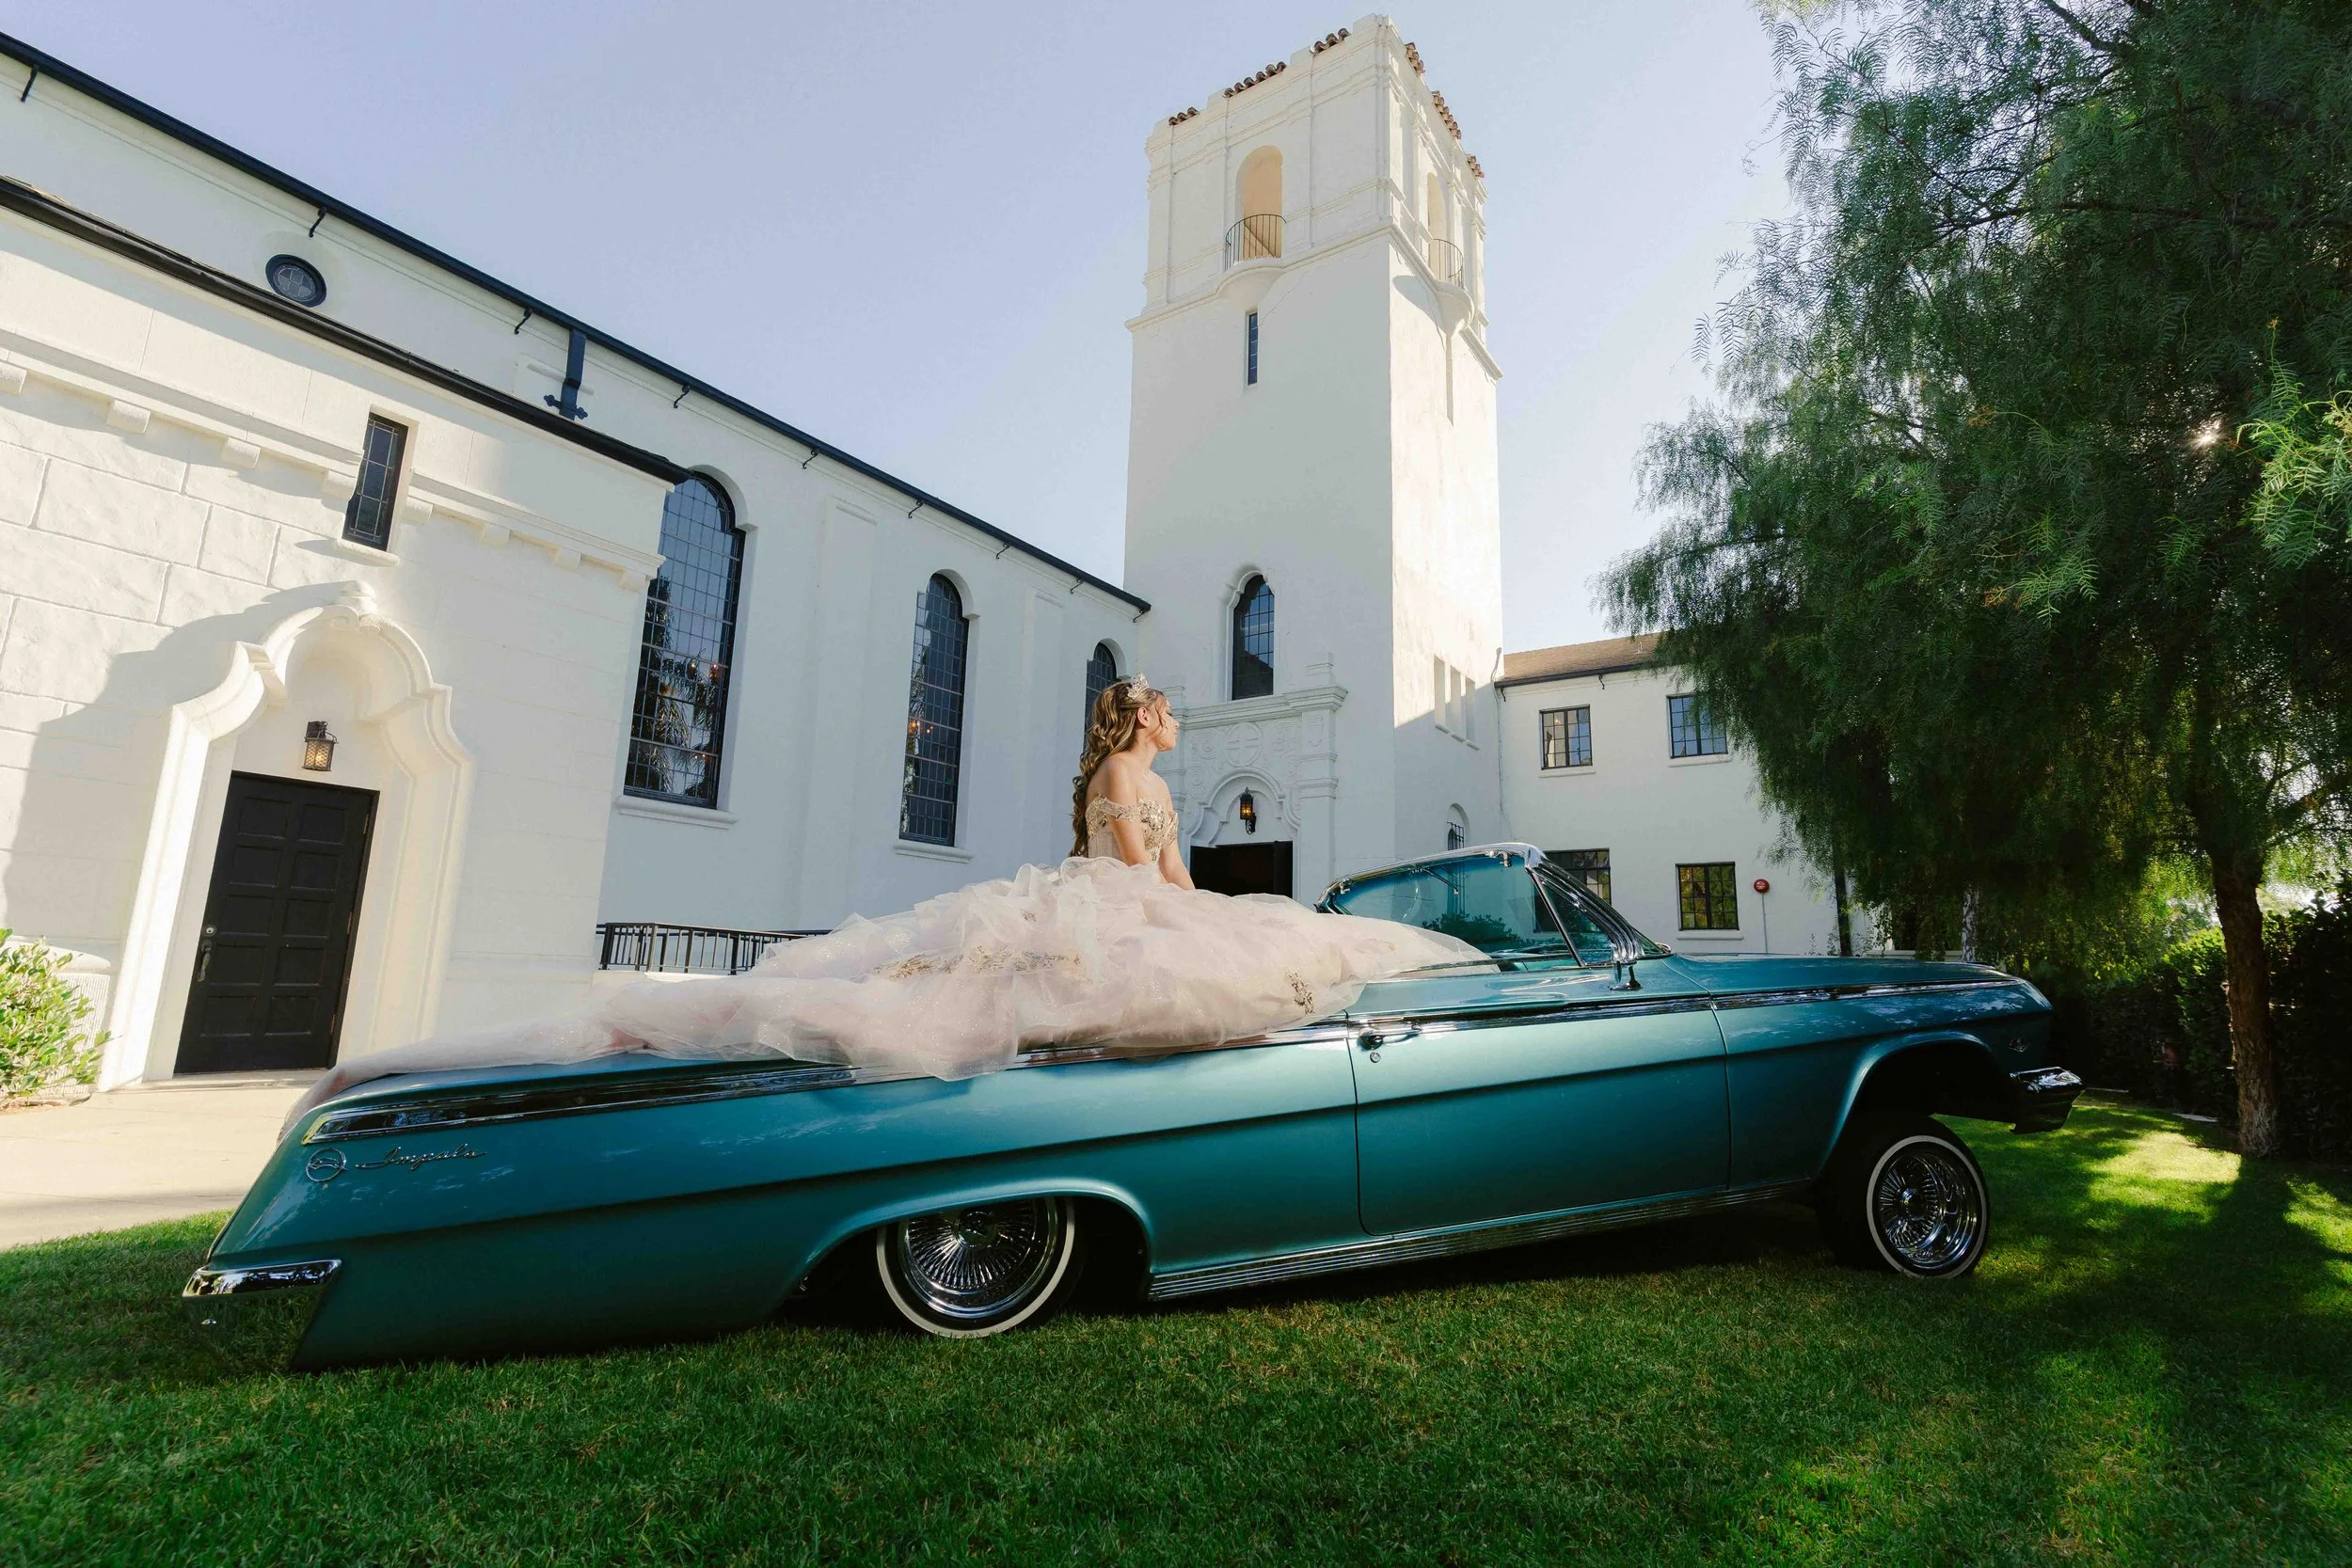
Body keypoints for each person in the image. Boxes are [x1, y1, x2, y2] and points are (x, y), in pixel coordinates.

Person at [284, 676, 1479, 1126]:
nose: (1169, 726)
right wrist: (1205, 906)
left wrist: (1207, 902)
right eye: (1163, 714)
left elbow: (1166, 874)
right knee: (916, 998)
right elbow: (1140, 879)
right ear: (1141, 723)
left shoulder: (1143, 777)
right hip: (1110, 905)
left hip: (1132, 898)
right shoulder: (1130, 777)